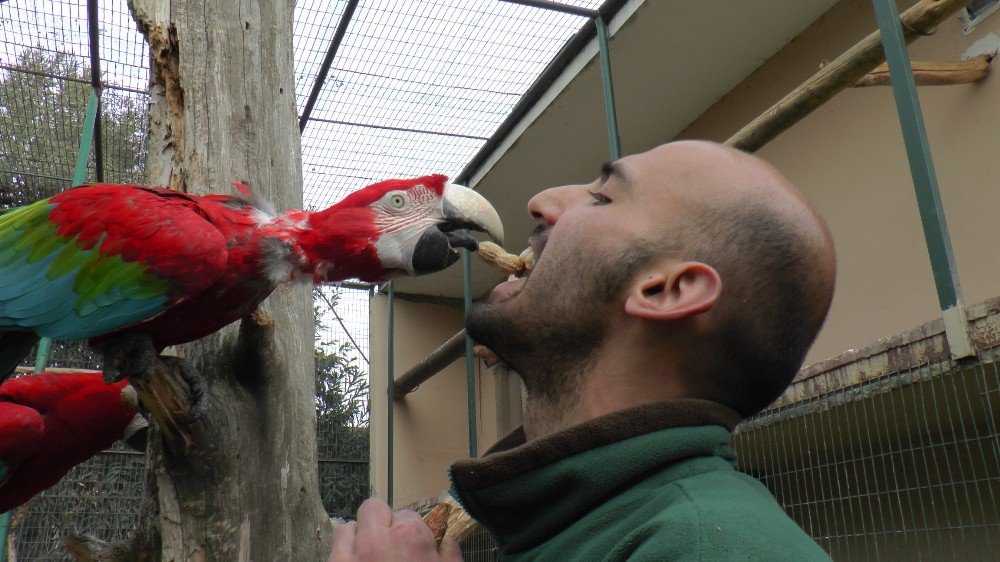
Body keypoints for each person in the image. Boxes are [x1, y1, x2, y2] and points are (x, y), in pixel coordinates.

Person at [330, 140, 836, 561]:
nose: (541, 200)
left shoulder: (715, 548)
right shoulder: (572, 530)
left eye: (602, 198)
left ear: (664, 290)